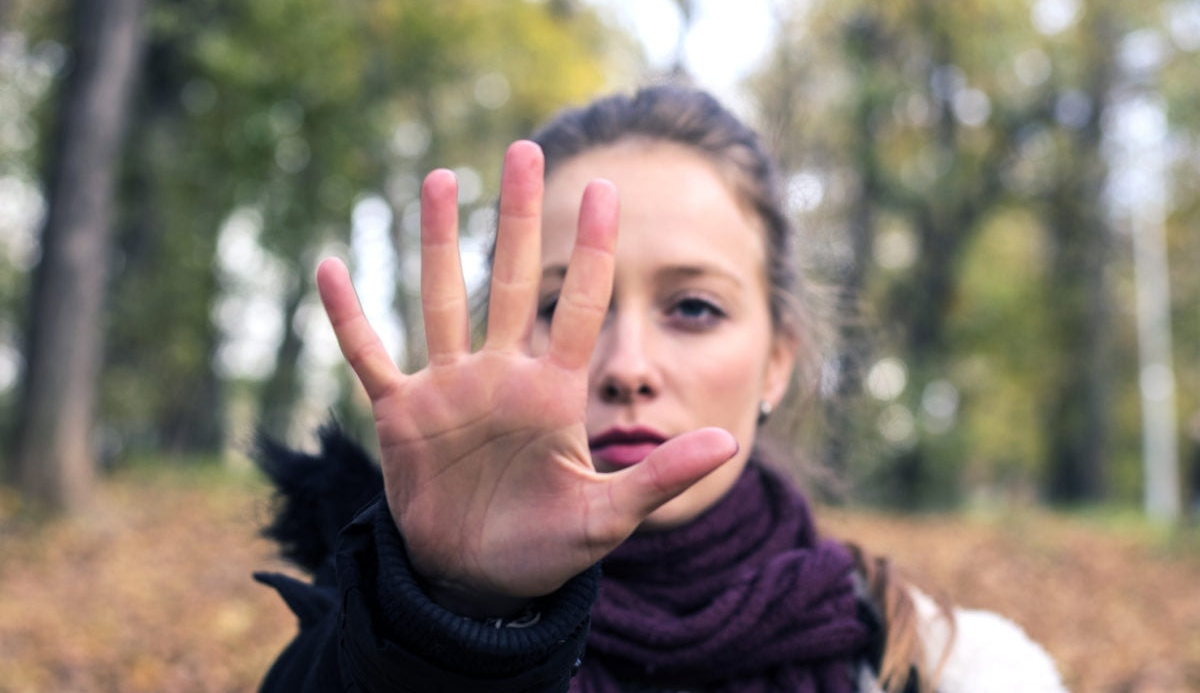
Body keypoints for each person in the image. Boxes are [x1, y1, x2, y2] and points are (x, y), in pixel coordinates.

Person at [254, 84, 1068, 693]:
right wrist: (459, 613)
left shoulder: (957, 670)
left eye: (693, 307)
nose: (626, 366)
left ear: (778, 361)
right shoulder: (358, 644)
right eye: (562, 306)